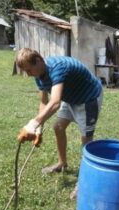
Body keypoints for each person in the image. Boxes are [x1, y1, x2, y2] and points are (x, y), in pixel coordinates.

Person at [16, 48, 103, 199]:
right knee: (58, 127)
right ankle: (62, 163)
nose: (28, 74)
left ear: (38, 61)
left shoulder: (58, 67)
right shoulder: (39, 74)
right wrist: (38, 129)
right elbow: (44, 102)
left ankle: (83, 181)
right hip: (70, 98)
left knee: (86, 140)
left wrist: (32, 124)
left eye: (29, 70)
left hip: (88, 99)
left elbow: (55, 102)